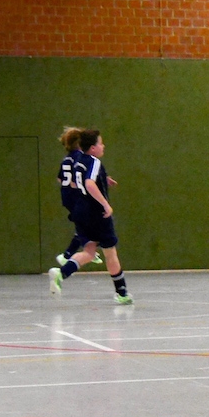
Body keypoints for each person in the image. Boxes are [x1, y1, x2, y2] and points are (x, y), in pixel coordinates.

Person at [48, 129, 133, 304]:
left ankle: (61, 273)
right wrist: (105, 204)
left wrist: (104, 178)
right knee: (110, 253)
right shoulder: (94, 161)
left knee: (89, 252)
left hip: (81, 211)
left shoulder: (79, 160)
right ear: (93, 148)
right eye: (100, 143)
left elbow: (76, 180)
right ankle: (122, 293)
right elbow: (89, 183)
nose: (103, 146)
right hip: (96, 213)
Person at [55, 127, 103, 266]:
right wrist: (78, 185)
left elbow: (60, 178)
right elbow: (79, 175)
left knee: (84, 225)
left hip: (66, 196)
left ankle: (88, 249)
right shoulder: (79, 157)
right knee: (90, 223)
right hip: (75, 197)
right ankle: (71, 254)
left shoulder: (66, 159)